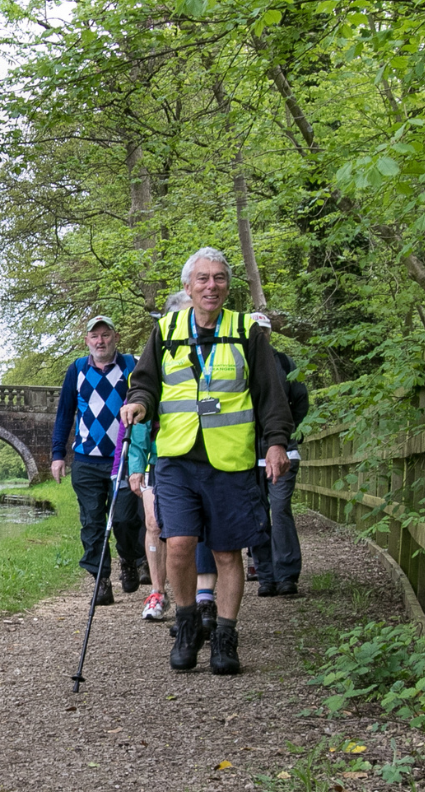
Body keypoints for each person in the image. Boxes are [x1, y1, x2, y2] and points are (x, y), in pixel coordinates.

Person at [121, 247, 294, 675]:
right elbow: (144, 382)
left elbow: (271, 393)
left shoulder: (247, 332)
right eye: (202, 279)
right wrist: (139, 404)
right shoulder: (166, 329)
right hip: (177, 457)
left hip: (230, 459)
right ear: (188, 287)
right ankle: (186, 624)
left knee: (226, 552)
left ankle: (225, 635)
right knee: (178, 545)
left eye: (218, 278)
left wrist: (276, 443)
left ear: (228, 286)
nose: (211, 286)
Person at [51, 315, 142, 605]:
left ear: (115, 337)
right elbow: (64, 414)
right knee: (92, 522)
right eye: (95, 336)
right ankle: (101, 580)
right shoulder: (76, 369)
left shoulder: (131, 365)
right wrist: (57, 455)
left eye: (105, 335)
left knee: (126, 519)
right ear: (87, 341)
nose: (100, 341)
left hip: (124, 459)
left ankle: (129, 559)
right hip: (86, 460)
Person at [129, 290, 192, 622]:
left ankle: (199, 596)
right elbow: (140, 415)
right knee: (153, 524)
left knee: (191, 531)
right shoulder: (156, 353)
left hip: (199, 455)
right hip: (158, 457)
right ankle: (157, 592)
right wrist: (136, 465)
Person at [248, 312, 310, 597]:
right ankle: (265, 574)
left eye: (264, 330)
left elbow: (300, 399)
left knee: (280, 509)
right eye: (255, 330)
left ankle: (287, 574)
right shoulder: (239, 365)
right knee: (257, 513)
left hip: (284, 451)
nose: (260, 335)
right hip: (247, 453)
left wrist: (284, 435)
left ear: (270, 333)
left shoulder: (284, 363)